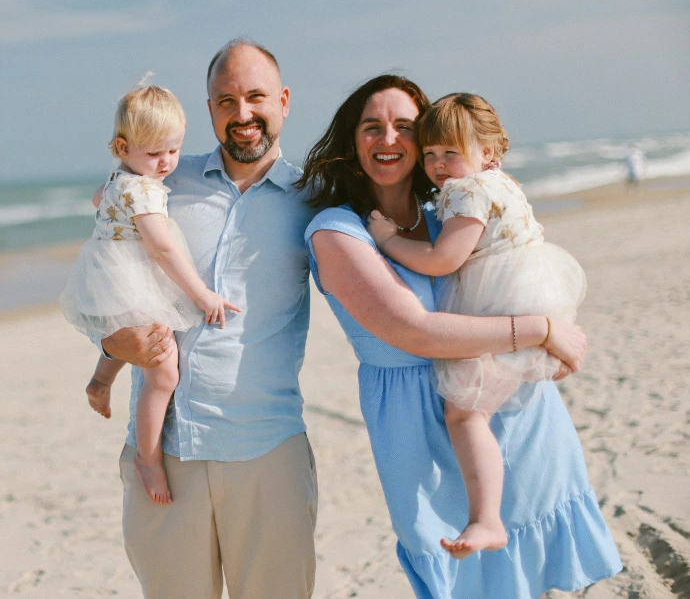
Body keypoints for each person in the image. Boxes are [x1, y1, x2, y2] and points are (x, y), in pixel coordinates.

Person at [297, 74, 621, 598]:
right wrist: (542, 331)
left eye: (404, 127)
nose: (388, 139)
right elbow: (415, 331)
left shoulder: (443, 215)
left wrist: (543, 336)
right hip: (420, 428)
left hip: (515, 413)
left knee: (532, 577)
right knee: (458, 578)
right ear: (350, 141)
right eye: (371, 126)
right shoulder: (339, 230)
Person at [90, 39, 318, 599]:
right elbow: (107, 276)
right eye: (226, 100)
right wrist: (114, 349)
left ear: (284, 101)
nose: (242, 114)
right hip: (167, 455)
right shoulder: (160, 183)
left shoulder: (315, 199)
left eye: (256, 97)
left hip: (268, 452)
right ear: (210, 107)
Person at [366, 93, 587, 558]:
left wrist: (387, 240)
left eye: (451, 153)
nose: (438, 165)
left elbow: (442, 260)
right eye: (430, 155)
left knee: (466, 414)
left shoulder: (467, 192)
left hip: (505, 297)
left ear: (487, 152)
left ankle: (487, 519)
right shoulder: (500, 182)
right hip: (536, 286)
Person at [60, 84, 238, 505]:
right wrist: (202, 294)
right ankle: (149, 457)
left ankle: (100, 382)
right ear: (123, 146)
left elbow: (97, 198)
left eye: (173, 150)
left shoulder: (120, 177)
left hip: (113, 275)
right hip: (132, 275)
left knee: (129, 337)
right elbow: (162, 248)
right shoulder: (139, 189)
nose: (167, 163)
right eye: (155, 153)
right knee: (164, 372)